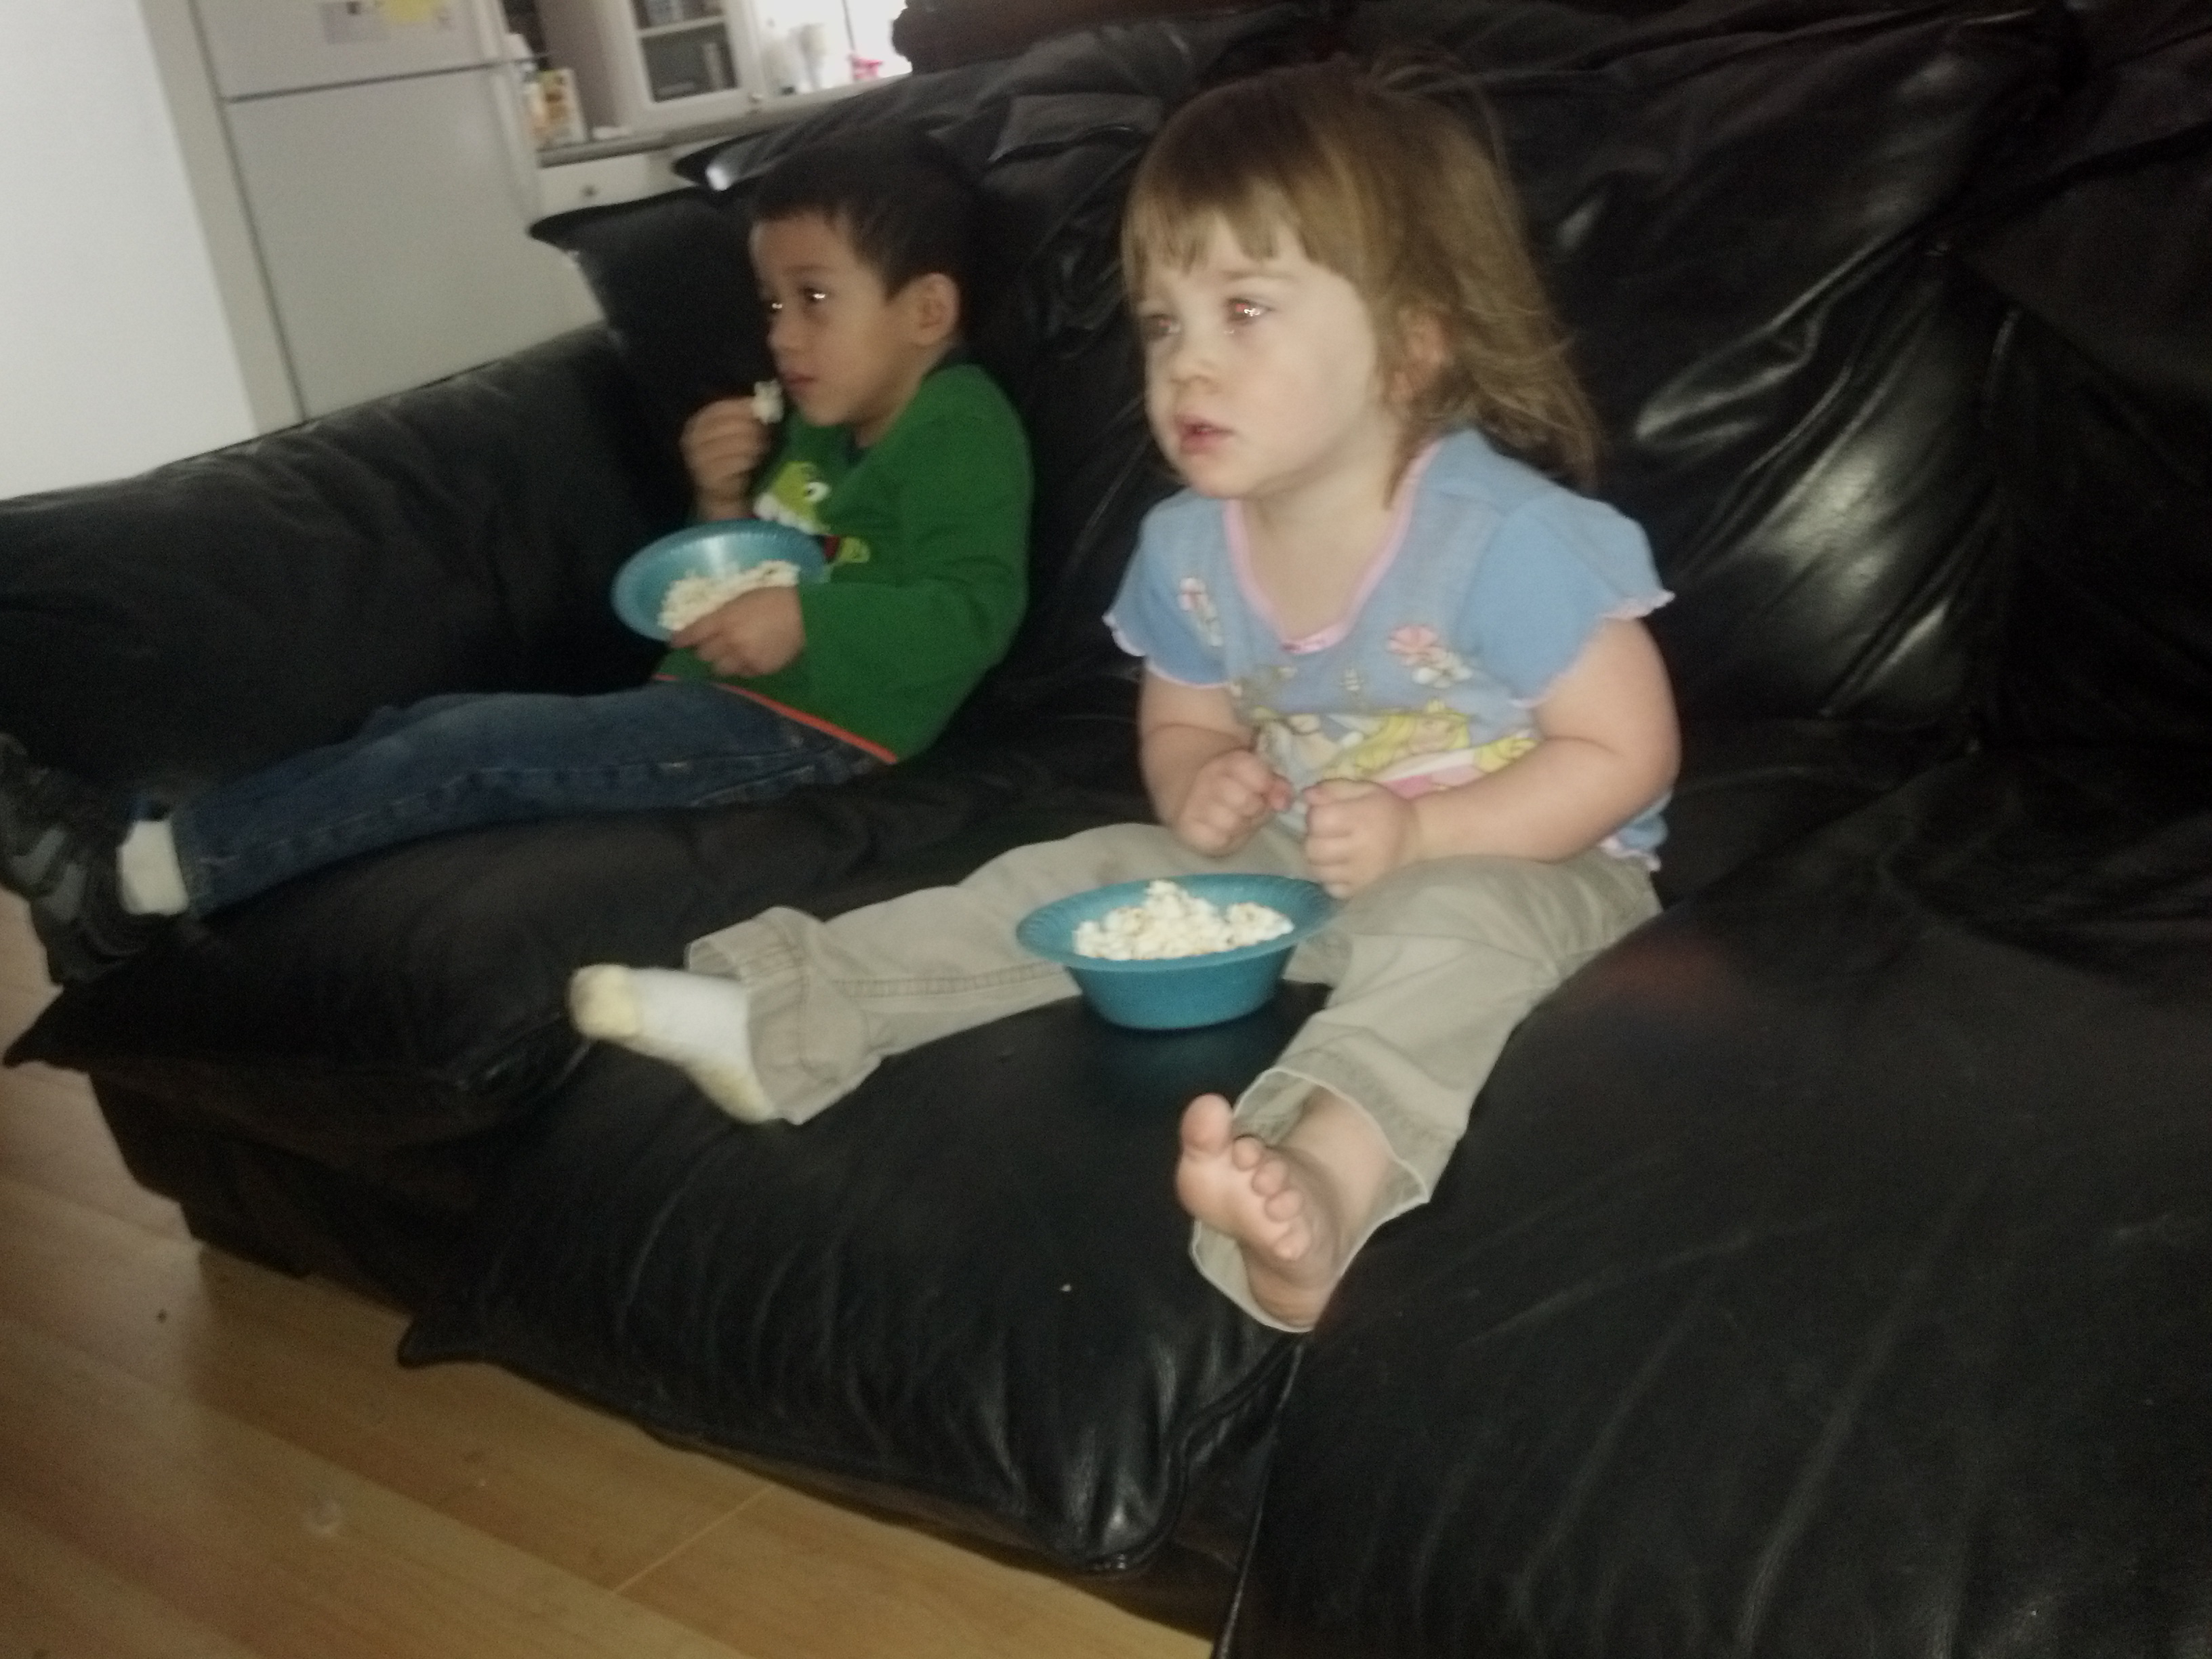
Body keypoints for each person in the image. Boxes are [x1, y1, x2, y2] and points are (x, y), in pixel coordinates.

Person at [565, 60, 1681, 1332]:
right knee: (1083, 873)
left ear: (1413, 344)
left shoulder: (1503, 539)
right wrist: (1198, 786)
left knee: (1452, 945)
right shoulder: (1190, 548)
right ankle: (781, 1010)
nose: (1187, 363)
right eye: (1161, 322)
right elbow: (1185, 717)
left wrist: (1428, 834)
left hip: (1532, 859)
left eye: (1244, 310)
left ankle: (1324, 1181)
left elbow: (1624, 752)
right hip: (1301, 851)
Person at [0, 128, 1032, 985]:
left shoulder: (960, 433)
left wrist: (809, 620)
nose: (782, 337)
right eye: (771, 305)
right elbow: (751, 566)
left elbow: (972, 611)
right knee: (430, 725)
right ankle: (170, 836)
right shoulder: (817, 425)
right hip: (723, 696)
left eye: (815, 299)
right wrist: (718, 498)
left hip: (812, 733)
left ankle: (137, 880)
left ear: (926, 311)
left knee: (471, 751)